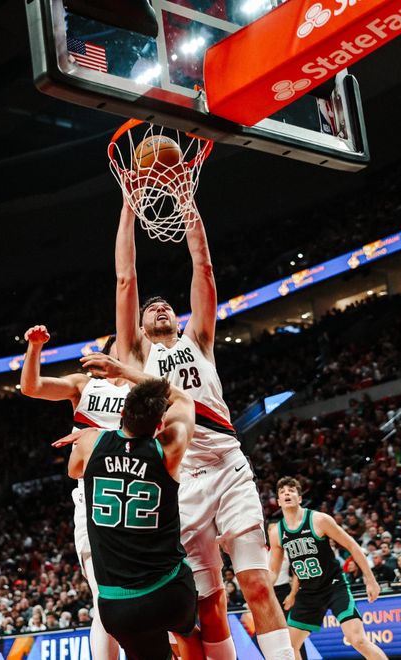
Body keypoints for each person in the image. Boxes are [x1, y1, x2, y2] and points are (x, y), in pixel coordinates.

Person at [114, 195, 293, 660]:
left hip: (228, 466)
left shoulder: (198, 339)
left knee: (256, 583)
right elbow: (126, 278)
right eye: (151, 309)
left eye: (165, 306)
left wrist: (186, 200)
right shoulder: (136, 356)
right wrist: (129, 207)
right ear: (140, 325)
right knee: (208, 604)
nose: (159, 309)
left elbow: (204, 267)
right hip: (182, 481)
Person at [59, 376, 203, 660]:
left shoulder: (91, 442)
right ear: (160, 425)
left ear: (122, 413)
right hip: (169, 590)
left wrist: (94, 435)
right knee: (188, 634)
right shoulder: (168, 447)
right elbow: (185, 400)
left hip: (118, 604)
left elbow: (74, 471)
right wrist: (125, 371)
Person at [21, 326, 129, 660]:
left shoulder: (145, 388)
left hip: (138, 494)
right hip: (95, 497)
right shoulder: (85, 385)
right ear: (106, 355)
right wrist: (34, 348)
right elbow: (31, 387)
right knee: (104, 597)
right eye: (122, 345)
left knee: (150, 595)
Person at [270, 477, 388, 660]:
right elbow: (273, 571)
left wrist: (371, 580)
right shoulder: (276, 533)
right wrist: (260, 593)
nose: (287, 493)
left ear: (299, 498)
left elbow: (352, 546)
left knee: (358, 640)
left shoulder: (319, 520)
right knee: (290, 647)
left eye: (291, 490)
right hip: (308, 592)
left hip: (333, 586)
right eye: (282, 491)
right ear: (278, 501)